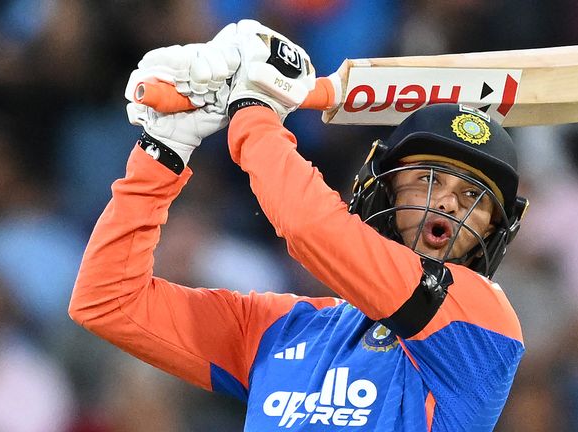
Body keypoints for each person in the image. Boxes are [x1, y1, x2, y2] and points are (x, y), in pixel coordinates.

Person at [70, 20, 528, 431]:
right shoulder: (284, 328)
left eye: (474, 197)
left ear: (492, 230)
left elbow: (310, 228)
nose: (449, 202)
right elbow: (107, 300)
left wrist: (254, 110)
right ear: (383, 191)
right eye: (428, 180)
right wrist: (166, 148)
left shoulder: (481, 324)